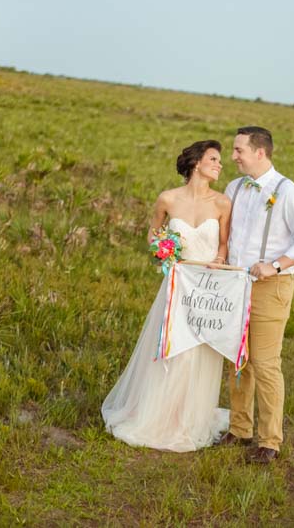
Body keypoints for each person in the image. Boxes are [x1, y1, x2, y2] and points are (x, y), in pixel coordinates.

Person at [101, 140, 233, 452]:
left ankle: (189, 417)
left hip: (206, 289)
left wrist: (220, 259)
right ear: (196, 163)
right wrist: (164, 252)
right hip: (177, 285)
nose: (220, 165)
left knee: (198, 350)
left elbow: (225, 244)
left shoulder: (222, 203)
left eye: (221, 160)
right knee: (173, 348)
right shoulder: (168, 199)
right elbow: (154, 235)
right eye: (214, 159)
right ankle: (158, 415)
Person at [217, 126, 294, 464]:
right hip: (235, 284)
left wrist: (275, 265)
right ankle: (239, 429)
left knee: (265, 363)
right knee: (237, 360)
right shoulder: (235, 187)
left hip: (270, 288)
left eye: (238, 150)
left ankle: (270, 441)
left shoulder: (288, 192)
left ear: (260, 153)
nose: (233, 157)